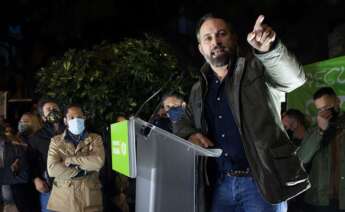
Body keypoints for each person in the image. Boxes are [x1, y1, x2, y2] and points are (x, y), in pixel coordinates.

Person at [174, 13, 310, 212]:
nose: (216, 41)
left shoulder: (257, 67)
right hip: (219, 185)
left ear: (233, 38)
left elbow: (293, 80)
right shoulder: (198, 90)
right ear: (201, 48)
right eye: (208, 38)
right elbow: (181, 123)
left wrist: (268, 51)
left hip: (261, 182)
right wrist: (189, 134)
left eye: (221, 34)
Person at [47, 104, 105, 212]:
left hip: (89, 198)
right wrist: (83, 170)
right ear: (65, 120)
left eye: (79, 117)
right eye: (72, 118)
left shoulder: (95, 138)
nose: (76, 120)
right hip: (63, 199)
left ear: (84, 118)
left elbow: (98, 162)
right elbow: (52, 169)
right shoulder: (56, 141)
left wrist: (70, 161)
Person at [297, 87, 345, 212]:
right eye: (320, 109)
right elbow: (302, 158)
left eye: (327, 107)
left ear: (337, 101)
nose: (324, 112)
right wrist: (320, 131)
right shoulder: (313, 130)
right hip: (320, 199)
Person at [28, 99, 65, 212]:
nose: (53, 110)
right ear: (43, 117)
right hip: (49, 187)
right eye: (48, 109)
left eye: (55, 108)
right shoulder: (36, 137)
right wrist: (36, 179)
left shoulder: (72, 132)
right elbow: (31, 161)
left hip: (74, 185)